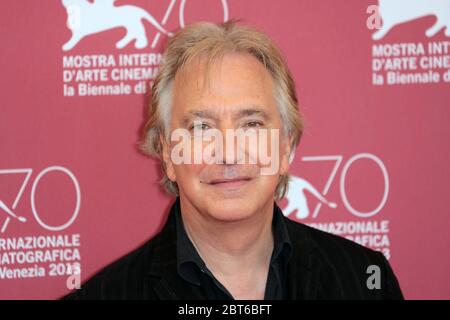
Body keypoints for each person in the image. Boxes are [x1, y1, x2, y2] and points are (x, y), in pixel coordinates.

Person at [63, 20, 403, 300]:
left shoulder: (366, 281)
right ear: (168, 154)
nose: (228, 151)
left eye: (252, 124)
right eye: (201, 127)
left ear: (285, 147)